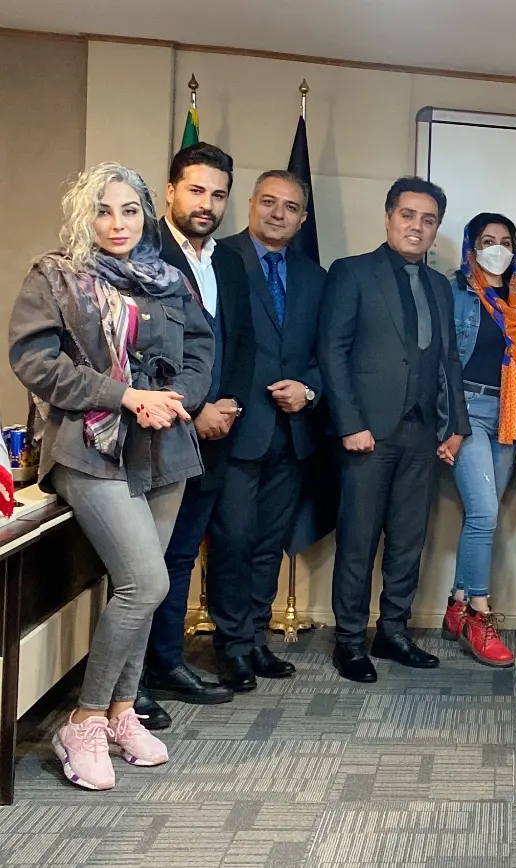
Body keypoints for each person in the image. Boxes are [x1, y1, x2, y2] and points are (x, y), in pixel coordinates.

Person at [9, 162, 214, 790]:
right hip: (88, 449)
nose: (117, 223)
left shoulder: (168, 278)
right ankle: (85, 720)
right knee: (145, 581)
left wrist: (174, 398)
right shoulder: (56, 275)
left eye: (129, 210)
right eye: (103, 210)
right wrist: (125, 396)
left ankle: (123, 711)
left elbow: (201, 351)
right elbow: (34, 362)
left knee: (145, 589)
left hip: (164, 446)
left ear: (146, 214)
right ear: (85, 216)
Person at [318, 176, 469, 683]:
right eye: (408, 215)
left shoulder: (440, 286)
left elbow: (448, 359)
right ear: (388, 218)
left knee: (408, 540)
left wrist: (456, 425)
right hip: (368, 433)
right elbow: (333, 351)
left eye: (428, 220)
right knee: (359, 541)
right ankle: (349, 640)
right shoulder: (352, 272)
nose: (417, 227)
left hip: (422, 433)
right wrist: (350, 423)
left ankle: (393, 632)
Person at [139, 143, 252, 727]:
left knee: (181, 555)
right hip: (158, 434)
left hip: (214, 436)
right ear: (170, 191)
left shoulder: (228, 261)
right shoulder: (142, 251)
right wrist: (197, 407)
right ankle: (128, 682)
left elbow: (241, 342)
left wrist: (227, 406)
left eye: (218, 194)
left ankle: (165, 663)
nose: (207, 203)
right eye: (196, 190)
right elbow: (138, 354)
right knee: (143, 563)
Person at [207, 170, 328, 690]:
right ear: (251, 203)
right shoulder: (218, 258)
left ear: (303, 218)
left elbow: (329, 352)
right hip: (235, 426)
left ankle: (255, 635)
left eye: (291, 207)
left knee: (269, 541)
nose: (278, 214)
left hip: (292, 431)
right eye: (269, 202)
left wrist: (310, 389)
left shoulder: (315, 276)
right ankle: (231, 643)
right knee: (233, 539)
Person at [441, 212, 516, 669]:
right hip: (468, 411)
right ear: (472, 247)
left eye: (506, 242)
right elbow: (443, 362)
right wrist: (451, 424)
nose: (498, 249)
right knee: (483, 513)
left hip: (507, 415)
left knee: (484, 516)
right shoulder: (455, 292)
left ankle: (456, 603)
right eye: (487, 240)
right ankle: (479, 613)